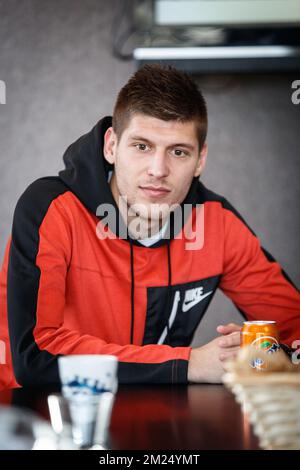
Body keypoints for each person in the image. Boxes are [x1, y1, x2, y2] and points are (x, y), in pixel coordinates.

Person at [0, 64, 299, 391]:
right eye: (142, 146)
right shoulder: (50, 209)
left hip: (161, 423)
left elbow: (293, 327)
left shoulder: (217, 223)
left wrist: (261, 356)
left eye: (179, 151)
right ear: (111, 146)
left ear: (200, 160)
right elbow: (33, 358)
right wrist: (190, 364)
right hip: (45, 420)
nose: (158, 170)